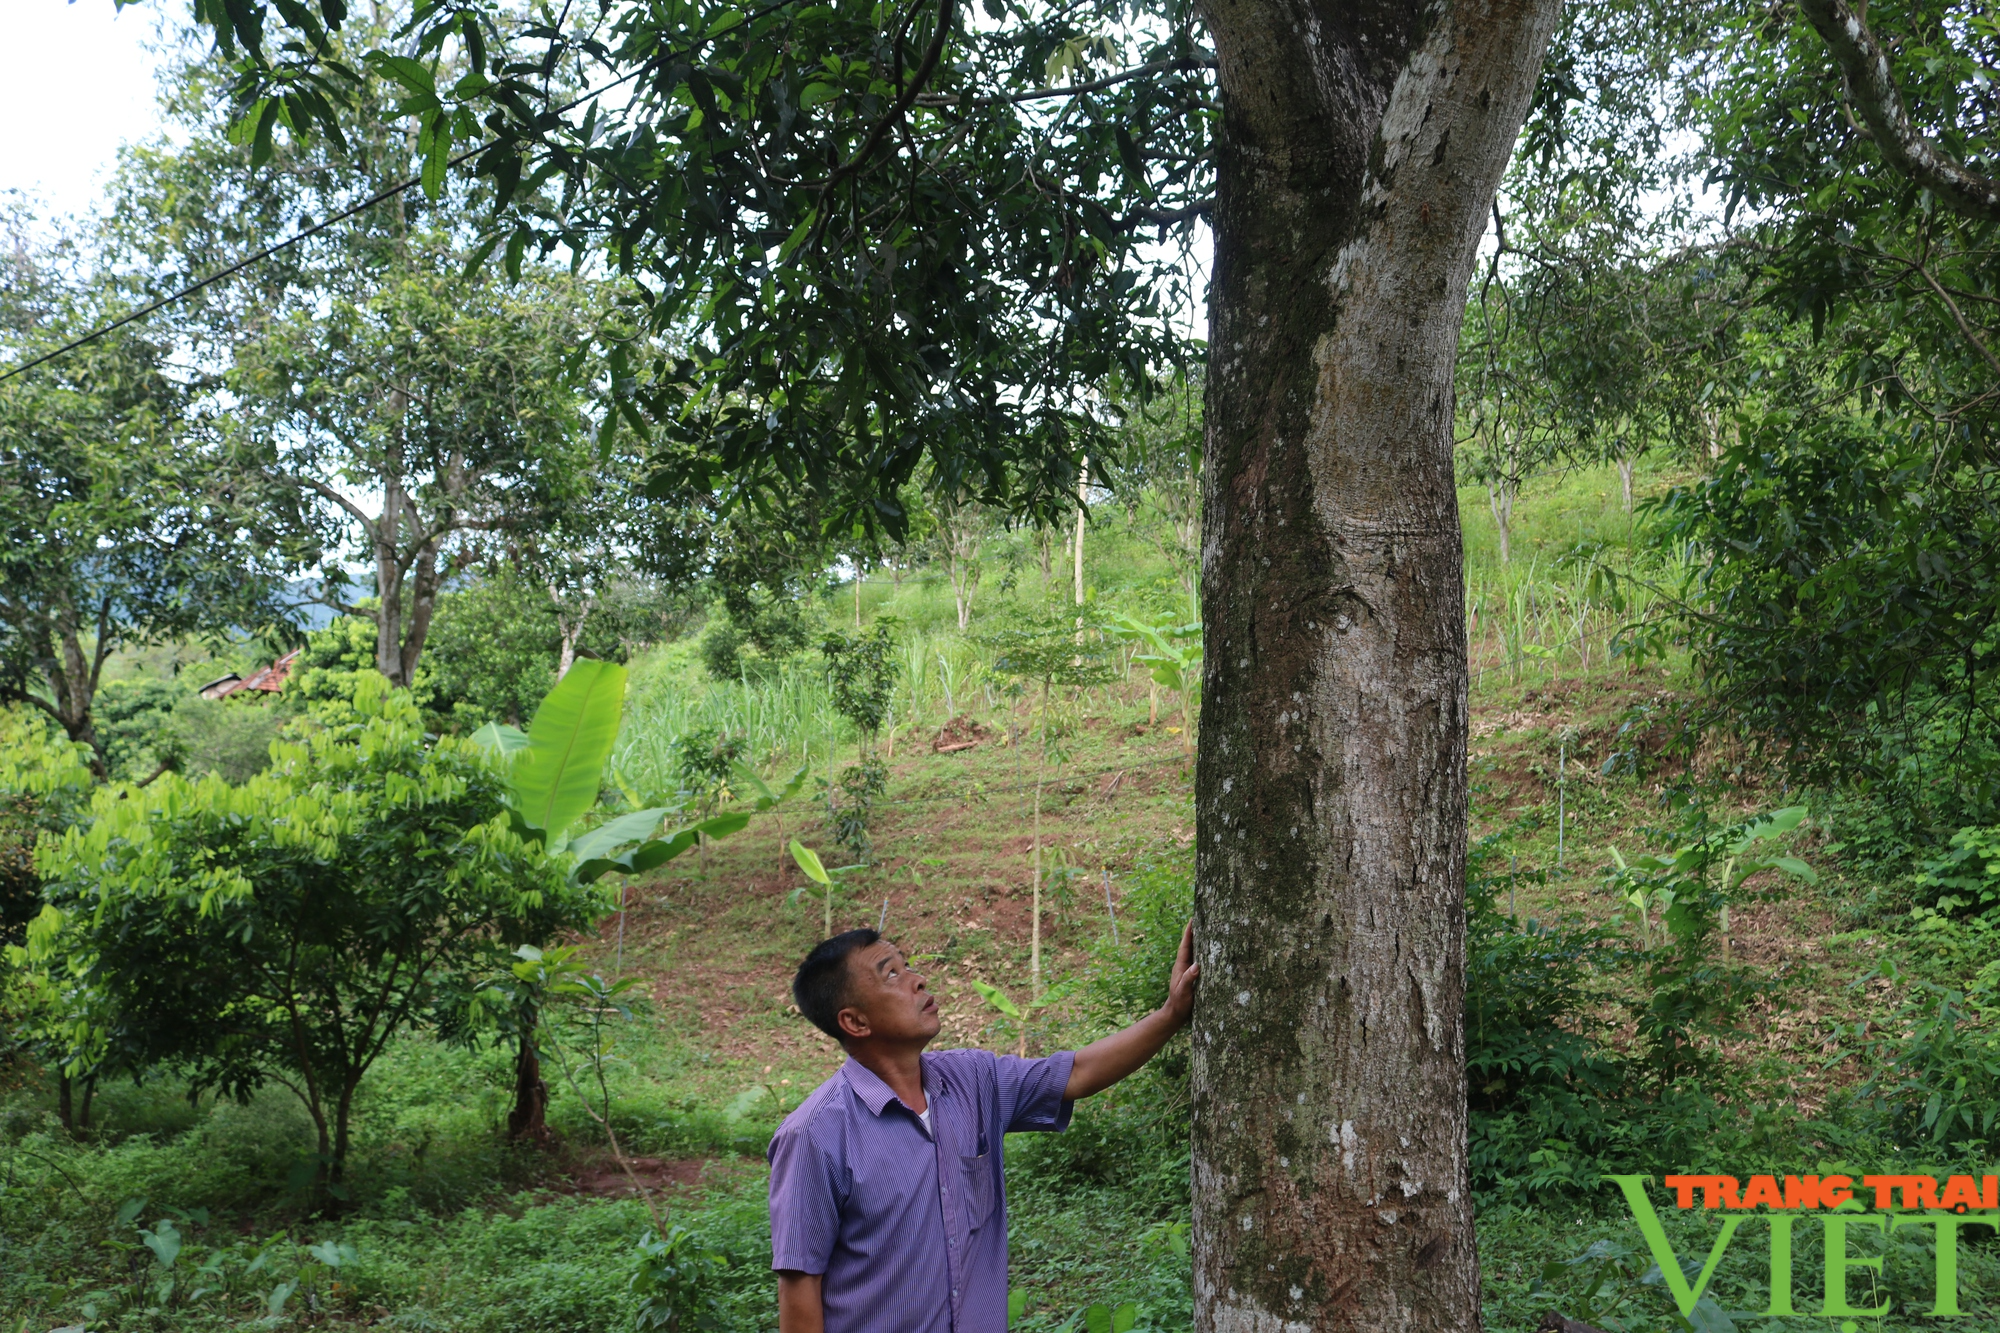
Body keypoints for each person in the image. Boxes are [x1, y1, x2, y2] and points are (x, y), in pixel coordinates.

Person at [768, 921, 1201, 1333]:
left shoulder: (973, 1081)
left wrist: (1171, 1014)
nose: (917, 980)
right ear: (855, 1022)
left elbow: (1076, 1074)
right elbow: (800, 1291)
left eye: (907, 965)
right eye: (892, 975)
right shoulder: (814, 1134)